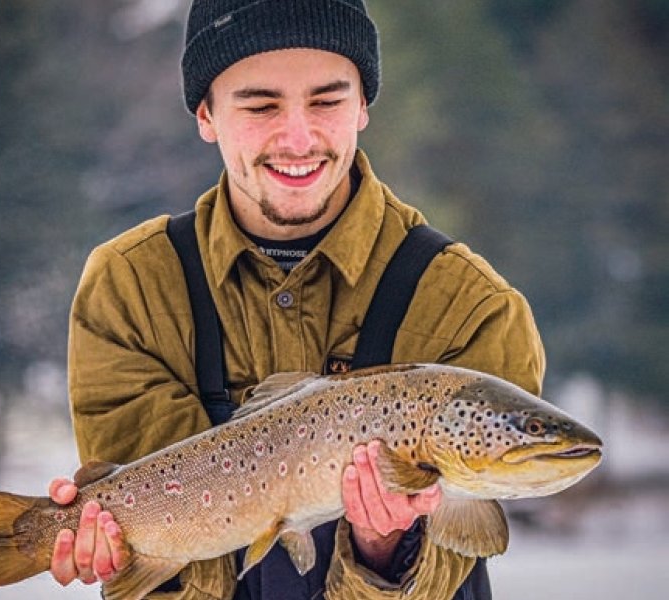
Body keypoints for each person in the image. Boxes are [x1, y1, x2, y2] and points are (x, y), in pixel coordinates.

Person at [48, 1, 545, 599]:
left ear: (363, 105)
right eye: (260, 106)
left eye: (327, 101)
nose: (298, 138)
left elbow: (451, 565)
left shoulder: (471, 307)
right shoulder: (130, 289)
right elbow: (163, 556)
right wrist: (122, 548)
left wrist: (382, 547)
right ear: (206, 113)